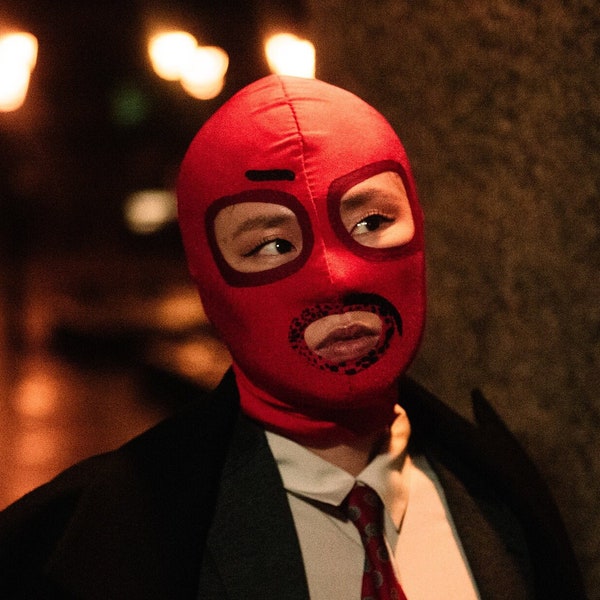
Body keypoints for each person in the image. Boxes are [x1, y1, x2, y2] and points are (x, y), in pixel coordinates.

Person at [0, 75, 585, 599]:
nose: (338, 277)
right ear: (209, 280)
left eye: (371, 221)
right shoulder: (96, 546)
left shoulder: (507, 497)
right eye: (272, 244)